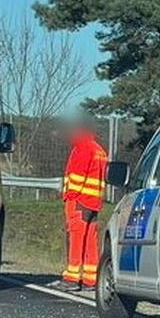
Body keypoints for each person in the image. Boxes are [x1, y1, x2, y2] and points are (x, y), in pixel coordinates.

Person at [60, 117, 107, 291]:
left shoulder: (82, 147)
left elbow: (77, 175)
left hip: (79, 201)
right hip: (94, 202)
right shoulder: (99, 150)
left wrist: (70, 197)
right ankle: (90, 279)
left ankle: (72, 277)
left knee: (76, 238)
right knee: (90, 240)